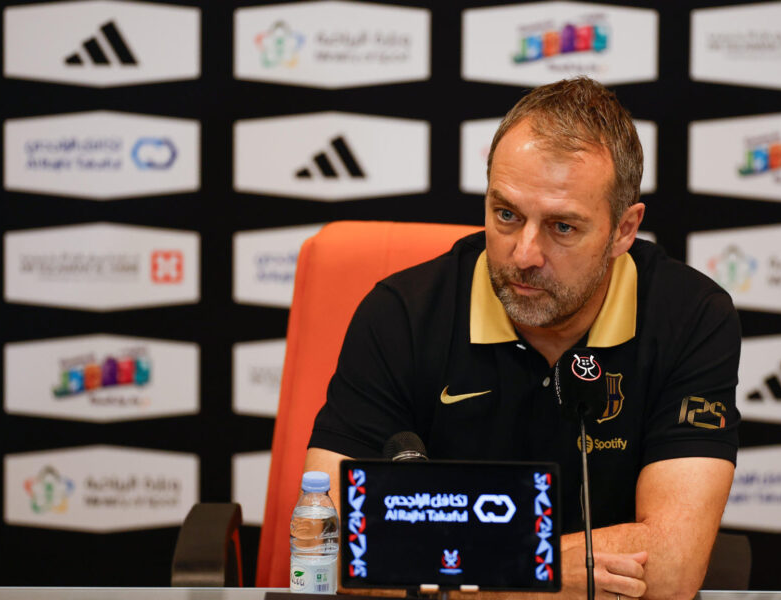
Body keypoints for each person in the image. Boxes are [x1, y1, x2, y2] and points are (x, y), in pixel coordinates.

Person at [304, 77, 741, 600]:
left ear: (624, 230)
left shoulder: (690, 317)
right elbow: (325, 545)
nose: (524, 254)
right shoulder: (400, 315)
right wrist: (543, 569)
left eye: (562, 227)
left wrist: (448, 562)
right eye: (506, 214)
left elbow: (672, 566)